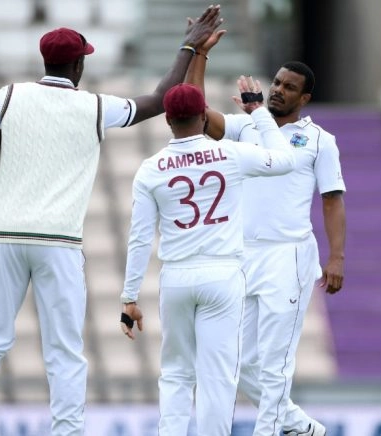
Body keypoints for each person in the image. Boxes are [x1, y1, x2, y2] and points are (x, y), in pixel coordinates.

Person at [0, 7, 223, 435]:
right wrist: (188, 47)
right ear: (78, 65)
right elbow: (159, 100)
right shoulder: (95, 106)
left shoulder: (5, 97)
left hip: (3, 237)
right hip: (59, 244)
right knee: (64, 351)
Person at [185, 41, 347, 436]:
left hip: (288, 256)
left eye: (289, 87)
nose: (278, 90)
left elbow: (332, 200)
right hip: (243, 256)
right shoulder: (246, 126)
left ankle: (271, 431)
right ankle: (299, 425)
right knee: (236, 362)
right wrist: (198, 55)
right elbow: (194, 111)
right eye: (276, 82)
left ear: (304, 98)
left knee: (275, 361)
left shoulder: (319, 140)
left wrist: (337, 257)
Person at [119, 81, 295, 435]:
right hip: (223, 273)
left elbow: (140, 238)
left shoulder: (151, 168)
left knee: (176, 373)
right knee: (217, 377)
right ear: (203, 116)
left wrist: (130, 297)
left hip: (177, 276)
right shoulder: (231, 153)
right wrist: (259, 113)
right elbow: (286, 160)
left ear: (167, 119)